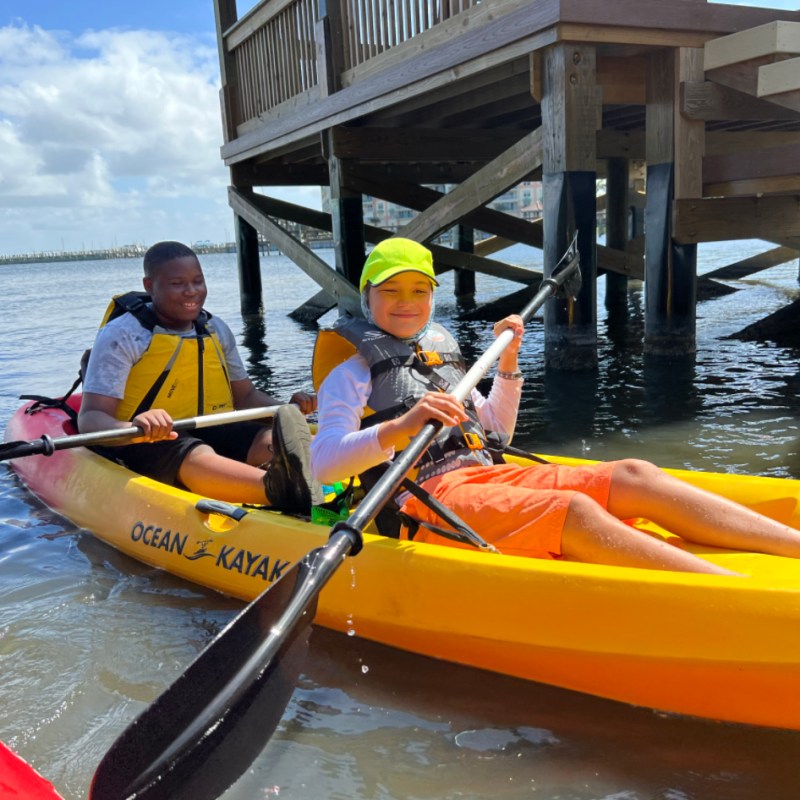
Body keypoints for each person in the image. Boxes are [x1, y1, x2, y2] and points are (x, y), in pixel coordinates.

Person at [311, 237, 800, 575]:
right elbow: (325, 461)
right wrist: (402, 427)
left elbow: (498, 435)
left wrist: (508, 361)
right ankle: (728, 588)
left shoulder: (442, 356)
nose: (406, 302)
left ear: (433, 296)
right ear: (367, 296)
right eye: (390, 291)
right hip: (428, 502)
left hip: (487, 476)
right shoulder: (349, 376)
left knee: (635, 473)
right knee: (575, 511)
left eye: (419, 290)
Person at [78, 240, 322, 513]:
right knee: (193, 451)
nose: (191, 291)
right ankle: (278, 490)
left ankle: (326, 476)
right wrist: (136, 426)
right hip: (144, 440)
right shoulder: (124, 335)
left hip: (208, 425)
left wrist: (284, 410)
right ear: (149, 286)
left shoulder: (215, 328)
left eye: (198, 281)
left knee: (267, 436)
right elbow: (90, 419)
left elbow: (245, 397)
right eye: (177, 283)